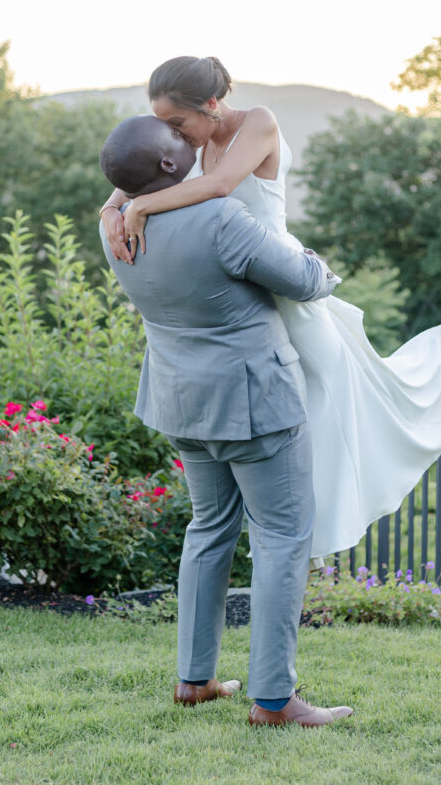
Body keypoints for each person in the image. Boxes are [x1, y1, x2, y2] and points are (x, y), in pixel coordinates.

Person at [101, 56, 441, 560]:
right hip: (236, 288)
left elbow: (217, 188)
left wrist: (140, 207)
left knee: (342, 389)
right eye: (164, 125)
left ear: (211, 105)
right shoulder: (188, 142)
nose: (172, 136)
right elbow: (141, 174)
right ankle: (286, 543)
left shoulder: (258, 123)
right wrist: (111, 207)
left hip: (279, 275)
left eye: (177, 123)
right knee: (318, 401)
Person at [98, 114, 353, 728]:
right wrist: (314, 259)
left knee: (208, 528)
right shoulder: (219, 219)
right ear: (167, 164)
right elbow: (303, 282)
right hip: (255, 402)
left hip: (179, 400)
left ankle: (195, 680)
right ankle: (274, 700)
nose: (193, 143)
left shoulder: (115, 225)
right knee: (281, 539)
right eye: (180, 141)